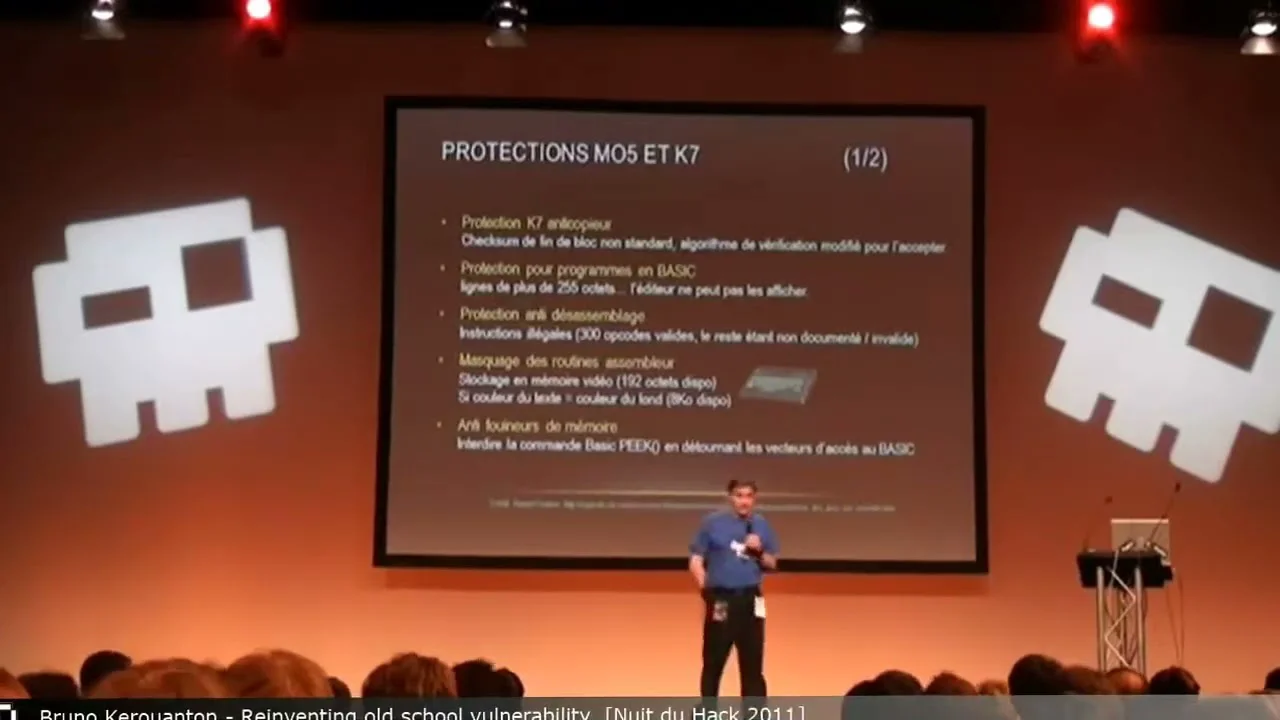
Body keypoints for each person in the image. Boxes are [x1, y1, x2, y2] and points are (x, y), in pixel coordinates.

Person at [688, 478, 779, 698]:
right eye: (739, 496)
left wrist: (759, 552)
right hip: (721, 600)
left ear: (755, 499)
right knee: (714, 659)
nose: (744, 501)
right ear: (730, 498)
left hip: (752, 600)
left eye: (749, 496)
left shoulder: (761, 525)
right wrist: (707, 591)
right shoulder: (713, 523)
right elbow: (696, 560)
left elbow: (772, 563)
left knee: (753, 661)